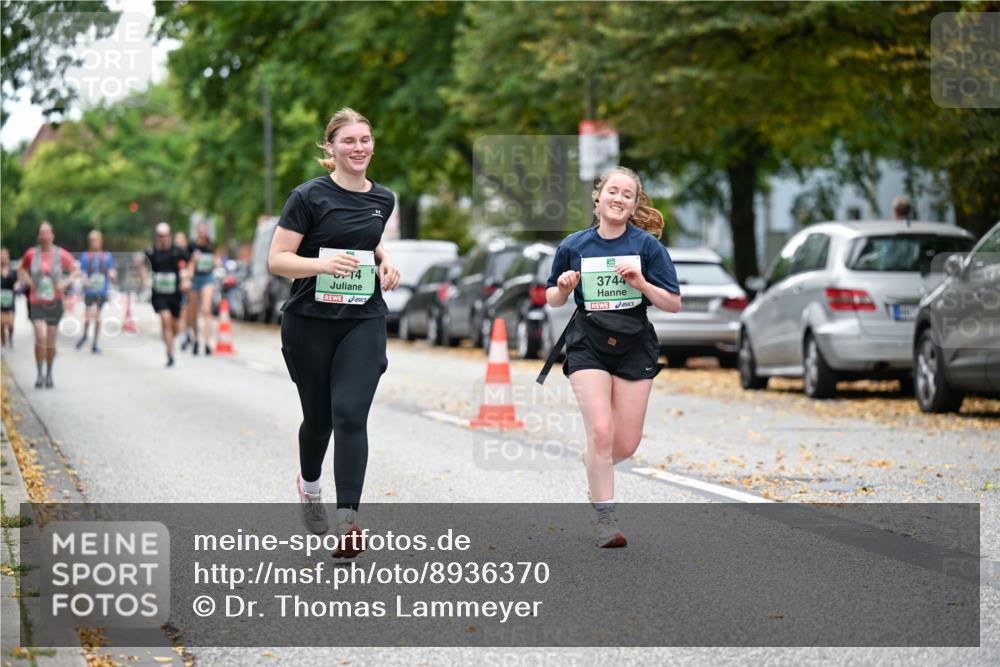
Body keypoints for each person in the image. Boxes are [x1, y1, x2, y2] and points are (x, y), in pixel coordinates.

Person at [268, 107, 400, 558]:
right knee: (319, 419)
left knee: (349, 415)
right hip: (310, 322)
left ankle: (348, 522)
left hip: (362, 319)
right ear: (331, 148)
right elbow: (277, 259)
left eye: (365, 139)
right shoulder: (307, 196)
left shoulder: (384, 198)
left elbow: (369, 233)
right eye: (348, 141)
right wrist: (321, 264)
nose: (358, 147)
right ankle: (309, 486)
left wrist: (385, 260)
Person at [546, 166, 681, 548]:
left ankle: (595, 466)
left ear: (634, 204)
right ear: (598, 196)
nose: (618, 199)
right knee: (601, 432)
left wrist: (641, 283)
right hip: (588, 341)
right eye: (613, 191)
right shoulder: (575, 245)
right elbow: (551, 298)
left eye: (627, 194)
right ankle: (606, 521)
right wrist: (562, 286)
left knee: (625, 443)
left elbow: (672, 303)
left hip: (634, 343)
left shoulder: (647, 247)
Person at [17, 222, 78, 388]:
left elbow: (75, 269)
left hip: (55, 302)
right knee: (40, 336)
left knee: (50, 341)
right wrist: (29, 282)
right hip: (36, 302)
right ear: (39, 236)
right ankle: (39, 373)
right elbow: (21, 269)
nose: (44, 236)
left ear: (52, 235)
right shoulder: (31, 254)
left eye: (47, 233)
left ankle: (49, 372)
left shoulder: (60, 254)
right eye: (41, 233)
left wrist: (64, 284)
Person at [144, 223, 190, 367]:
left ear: (169, 236)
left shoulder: (177, 251)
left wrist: (186, 279)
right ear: (157, 237)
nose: (163, 238)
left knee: (174, 325)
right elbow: (141, 264)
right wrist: (145, 278)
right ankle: (170, 353)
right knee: (165, 318)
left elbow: (189, 263)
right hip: (159, 294)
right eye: (160, 236)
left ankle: (170, 339)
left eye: (165, 235)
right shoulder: (151, 252)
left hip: (175, 293)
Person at [75, 230, 116, 354]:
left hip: (102, 291)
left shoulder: (107, 256)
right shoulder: (85, 256)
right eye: (92, 241)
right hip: (89, 290)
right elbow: (81, 272)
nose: (95, 243)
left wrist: (112, 274)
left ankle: (95, 343)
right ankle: (85, 335)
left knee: (97, 317)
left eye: (97, 240)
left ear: (101, 241)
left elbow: (111, 270)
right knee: (88, 317)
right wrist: (84, 280)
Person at [188, 223, 217, 355]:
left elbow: (216, 260)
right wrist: (194, 260)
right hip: (195, 279)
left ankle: (207, 343)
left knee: (206, 310)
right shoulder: (192, 246)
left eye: (204, 231)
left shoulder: (211, 245)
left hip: (207, 277)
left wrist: (216, 262)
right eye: (200, 231)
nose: (202, 233)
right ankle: (195, 339)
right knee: (194, 311)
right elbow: (188, 263)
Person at [173, 231, 194, 350]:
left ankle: (187, 332)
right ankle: (183, 335)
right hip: (174, 286)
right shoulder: (173, 254)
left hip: (187, 286)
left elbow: (191, 266)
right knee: (179, 313)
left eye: (181, 241)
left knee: (186, 311)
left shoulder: (187, 254)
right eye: (177, 241)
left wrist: (187, 278)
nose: (179, 243)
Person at [1, 248, 18, 348]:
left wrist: (17, 286)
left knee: (10, 324)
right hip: (0, 302)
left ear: (8, 257)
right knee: (1, 324)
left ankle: (10, 338)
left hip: (10, 301)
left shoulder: (13, 271)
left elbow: (18, 282)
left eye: (4, 256)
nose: (2, 258)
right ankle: (3, 343)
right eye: (1, 256)